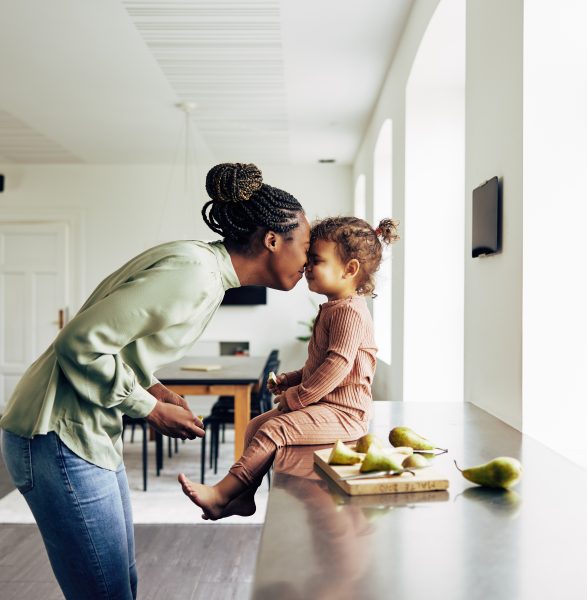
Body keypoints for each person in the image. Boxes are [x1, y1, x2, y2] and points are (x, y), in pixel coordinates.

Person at [0, 162, 310, 600]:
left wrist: (156, 389)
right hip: (56, 434)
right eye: (308, 246)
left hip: (80, 433)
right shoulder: (195, 274)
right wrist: (148, 409)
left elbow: (121, 345)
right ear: (272, 241)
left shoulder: (205, 270)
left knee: (119, 584)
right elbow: (80, 343)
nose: (310, 260)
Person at [179, 215, 399, 520]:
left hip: (346, 414)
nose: (307, 266)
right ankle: (244, 497)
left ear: (350, 270)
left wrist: (298, 396)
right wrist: (291, 379)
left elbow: (337, 366)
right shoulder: (334, 309)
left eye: (316, 260)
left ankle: (221, 494)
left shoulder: (350, 313)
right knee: (256, 425)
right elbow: (321, 364)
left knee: (274, 430)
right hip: (326, 406)